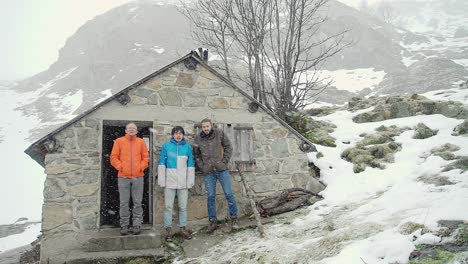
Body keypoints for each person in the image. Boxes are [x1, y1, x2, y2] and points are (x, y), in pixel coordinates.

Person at [194, 118, 239, 233]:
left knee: (229, 194)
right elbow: (196, 155)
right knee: (210, 197)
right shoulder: (198, 138)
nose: (205, 128)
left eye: (207, 126)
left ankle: (234, 218)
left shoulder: (219, 133)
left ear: (211, 125)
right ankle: (213, 221)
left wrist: (223, 162)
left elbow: (228, 147)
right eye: (203, 127)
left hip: (221, 170)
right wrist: (202, 166)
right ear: (201, 127)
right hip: (209, 172)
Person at [110, 122, 149, 236]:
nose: (131, 130)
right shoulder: (119, 141)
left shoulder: (141, 142)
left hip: (138, 176)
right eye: (129, 128)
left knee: (137, 202)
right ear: (126, 131)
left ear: (137, 131)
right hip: (123, 177)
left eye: (134, 128)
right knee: (124, 202)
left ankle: (137, 224)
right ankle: (124, 225)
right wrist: (120, 167)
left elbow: (145, 157)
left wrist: (141, 167)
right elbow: (113, 157)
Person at [158, 126, 195, 241]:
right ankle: (168, 231)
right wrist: (162, 181)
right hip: (170, 182)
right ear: (173, 135)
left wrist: (189, 182)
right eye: (176, 133)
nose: (178, 135)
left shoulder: (187, 147)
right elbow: (162, 163)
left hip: (183, 183)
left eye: (180, 133)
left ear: (183, 135)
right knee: (168, 207)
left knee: (183, 207)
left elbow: (190, 164)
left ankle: (183, 229)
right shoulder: (166, 146)